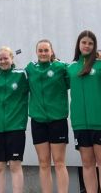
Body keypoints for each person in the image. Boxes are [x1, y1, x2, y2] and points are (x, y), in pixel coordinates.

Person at [67, 30, 101, 193]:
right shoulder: (70, 68)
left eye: (90, 43)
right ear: (78, 45)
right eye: (84, 42)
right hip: (80, 123)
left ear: (95, 46)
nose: (87, 46)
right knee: (87, 164)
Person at [25, 39, 69, 193]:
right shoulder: (30, 68)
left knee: (59, 162)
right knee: (43, 163)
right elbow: (11, 71)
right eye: (40, 50)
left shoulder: (61, 67)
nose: (43, 53)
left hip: (58, 120)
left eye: (46, 50)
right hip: (38, 121)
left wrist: (98, 55)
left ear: (51, 52)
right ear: (36, 52)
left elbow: (77, 70)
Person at [0, 46, 29, 193]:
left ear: (12, 58)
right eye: (0, 59)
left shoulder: (22, 75)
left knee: (14, 165)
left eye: (6, 58)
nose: (3, 61)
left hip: (16, 128)